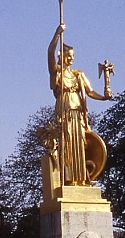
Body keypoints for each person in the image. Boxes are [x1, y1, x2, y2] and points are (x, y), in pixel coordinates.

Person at [47, 23, 111, 186]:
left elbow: (89, 92)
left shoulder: (78, 74)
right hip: (65, 110)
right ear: (62, 55)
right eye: (69, 55)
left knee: (79, 143)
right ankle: (69, 179)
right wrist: (57, 33)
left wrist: (104, 97)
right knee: (68, 143)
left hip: (78, 112)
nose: (72, 58)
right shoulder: (57, 72)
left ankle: (81, 178)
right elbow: (49, 52)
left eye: (73, 56)